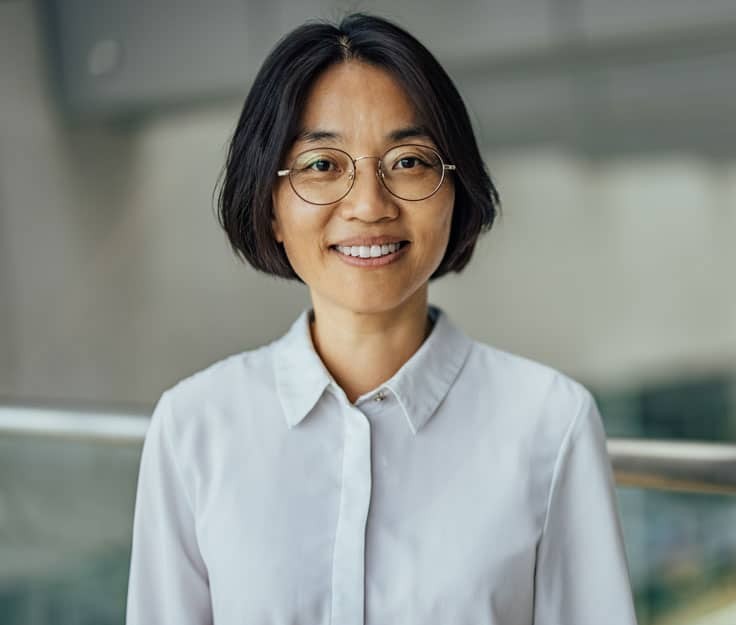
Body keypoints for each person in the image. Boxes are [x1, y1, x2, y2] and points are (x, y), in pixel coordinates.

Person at [126, 13, 637, 625]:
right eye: (322, 165)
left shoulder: (550, 424)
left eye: (409, 161)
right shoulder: (193, 429)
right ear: (269, 208)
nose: (369, 205)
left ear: (456, 191)